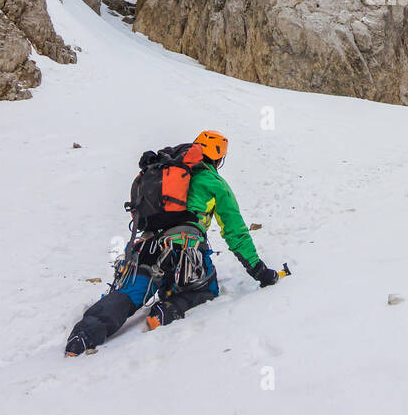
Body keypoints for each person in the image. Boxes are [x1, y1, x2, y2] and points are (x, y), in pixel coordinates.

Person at [65, 130, 280, 355]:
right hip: (185, 250)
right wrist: (259, 271)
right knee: (207, 288)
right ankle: (167, 309)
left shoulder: (164, 172)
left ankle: (83, 335)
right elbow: (235, 232)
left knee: (130, 293)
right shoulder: (215, 182)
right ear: (218, 158)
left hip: (146, 247)